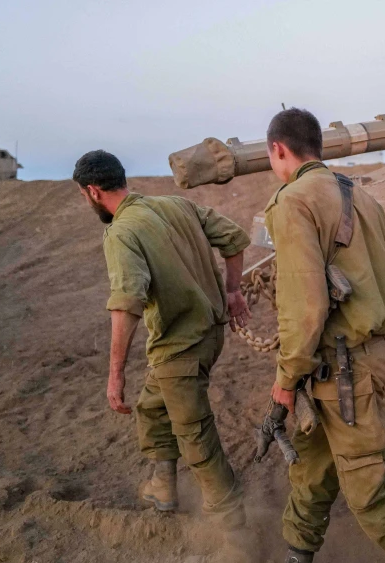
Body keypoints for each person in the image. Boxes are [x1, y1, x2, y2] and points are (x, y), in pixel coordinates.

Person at [264, 108, 385, 563]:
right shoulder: (360, 195)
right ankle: (298, 550)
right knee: (313, 466)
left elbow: (305, 307)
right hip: (361, 357)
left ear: (277, 150)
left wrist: (286, 382)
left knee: (372, 489)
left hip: (341, 368)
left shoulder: (294, 201)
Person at [73, 151, 253, 542]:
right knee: (152, 408)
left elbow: (127, 302)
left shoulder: (120, 232)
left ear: (91, 191)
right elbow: (235, 238)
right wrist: (233, 289)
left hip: (180, 349)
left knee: (196, 437)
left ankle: (235, 532)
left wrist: (115, 373)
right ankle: (164, 486)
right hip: (209, 336)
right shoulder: (174, 205)